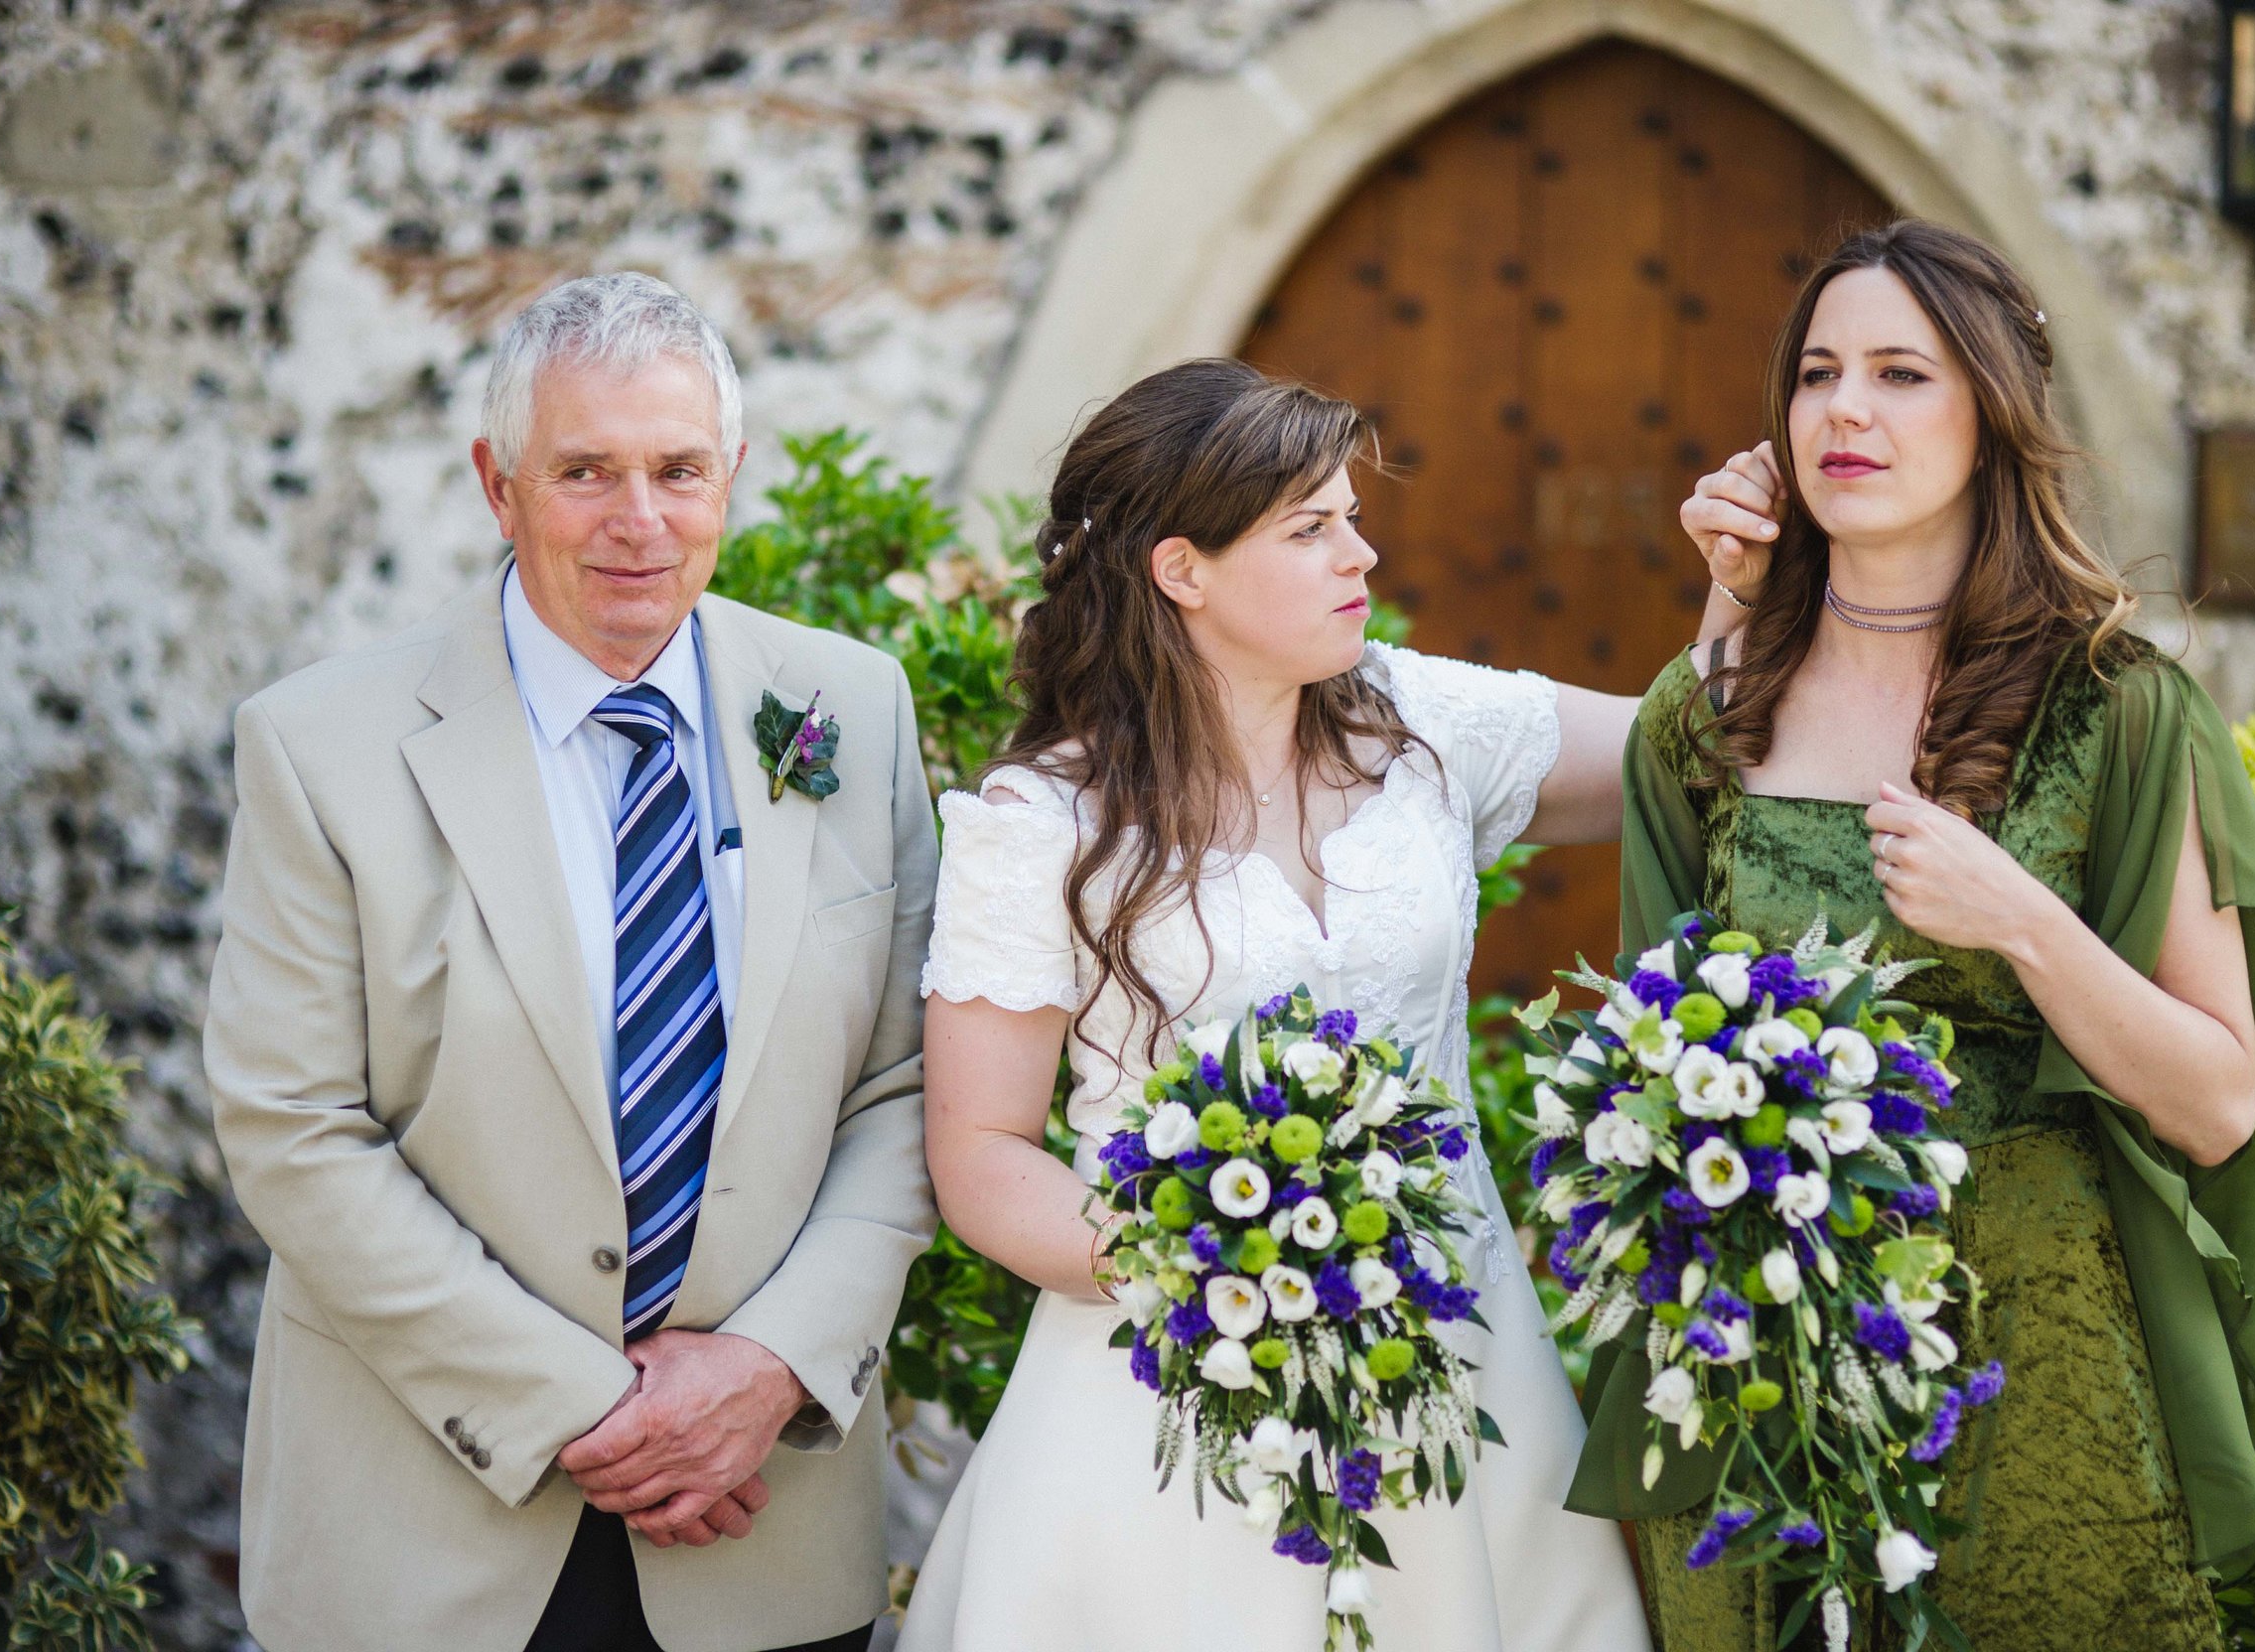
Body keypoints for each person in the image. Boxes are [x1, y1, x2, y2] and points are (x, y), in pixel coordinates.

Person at [895, 357, 1750, 1651]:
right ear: (1183, 569)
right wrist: (1212, 1258)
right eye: (1311, 528)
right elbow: (983, 1154)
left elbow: (1701, 751)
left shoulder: (1420, 722)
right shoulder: (1045, 821)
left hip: (1459, 1353)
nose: (1361, 551)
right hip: (1180, 1373)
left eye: (1349, 516)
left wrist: (1741, 580)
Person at [1574, 220, 2255, 1648]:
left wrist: (2023, 921)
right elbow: (1647, 1068)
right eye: (1817, 373)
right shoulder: (1704, 712)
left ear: (1993, 415)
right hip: (1755, 1353)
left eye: (1903, 373)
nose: (1845, 408)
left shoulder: (2122, 711)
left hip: (2036, 1355)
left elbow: (2221, 1102)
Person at [205, 273, 938, 1652]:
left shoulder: (851, 709)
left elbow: (904, 1090)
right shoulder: (320, 748)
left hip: (762, 1519)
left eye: (677, 470)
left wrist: (769, 1367)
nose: (639, 522)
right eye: (585, 472)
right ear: (499, 483)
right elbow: (293, 1129)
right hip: (428, 1537)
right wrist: (584, 1403)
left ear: (733, 474)